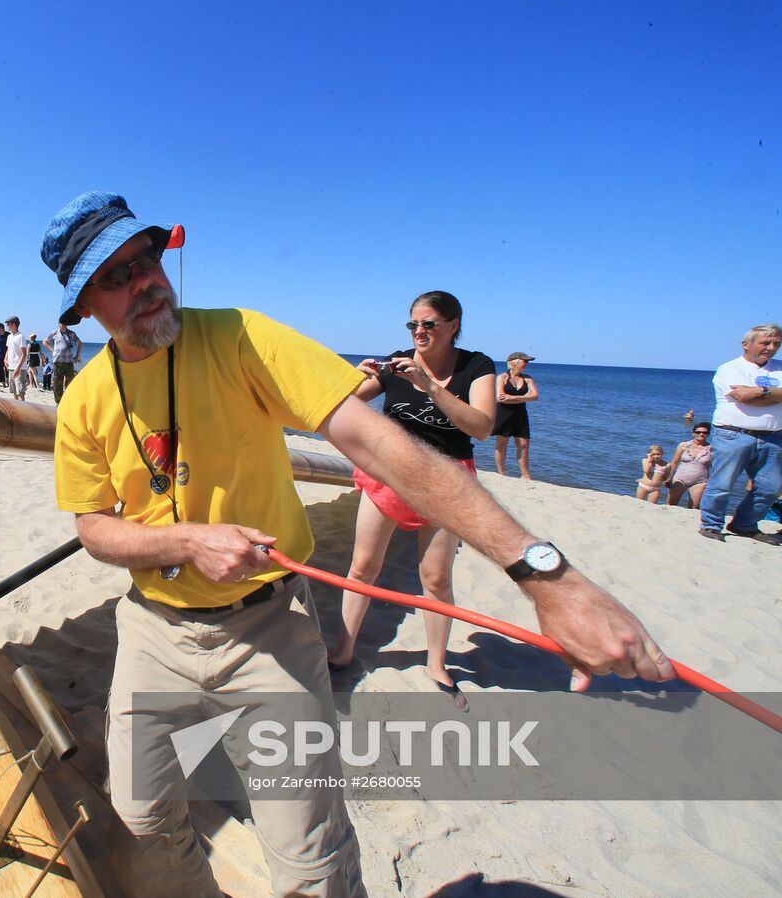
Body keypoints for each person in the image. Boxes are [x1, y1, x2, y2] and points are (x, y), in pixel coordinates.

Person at [40, 191, 673, 898]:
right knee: (143, 819)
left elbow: (381, 445)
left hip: (268, 629)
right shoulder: (83, 398)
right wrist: (186, 539)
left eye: (146, 259)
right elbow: (93, 525)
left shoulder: (240, 337)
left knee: (308, 862)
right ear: (83, 309)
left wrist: (543, 573)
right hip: (153, 632)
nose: (144, 282)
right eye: (115, 277)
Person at [326, 292, 497, 711]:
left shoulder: (477, 366)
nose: (419, 332)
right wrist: (352, 375)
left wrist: (430, 388)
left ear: (454, 325)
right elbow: (344, 400)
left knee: (435, 577)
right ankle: (343, 651)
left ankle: (437, 665)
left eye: (430, 324)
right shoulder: (399, 359)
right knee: (363, 566)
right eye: (413, 325)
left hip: (447, 481)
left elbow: (482, 427)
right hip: (390, 474)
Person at [697, 323, 782, 543]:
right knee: (722, 483)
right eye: (765, 342)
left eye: (776, 343)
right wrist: (773, 394)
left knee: (770, 488)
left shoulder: (779, 368)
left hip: (773, 437)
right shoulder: (730, 368)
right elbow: (743, 396)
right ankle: (711, 525)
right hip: (734, 435)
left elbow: (753, 396)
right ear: (746, 344)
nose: (771, 347)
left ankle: (744, 524)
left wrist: (761, 392)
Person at [492, 351, 538, 479]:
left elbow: (535, 396)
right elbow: (501, 398)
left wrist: (512, 397)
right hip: (503, 413)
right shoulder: (502, 377)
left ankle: (525, 475)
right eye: (525, 361)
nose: (527, 364)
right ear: (514, 362)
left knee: (523, 445)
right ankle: (501, 473)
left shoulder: (527, 378)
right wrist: (524, 397)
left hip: (520, 414)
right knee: (501, 444)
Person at [667, 422, 713, 508]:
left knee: (694, 508)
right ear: (693, 433)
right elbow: (674, 462)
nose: (701, 434)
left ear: (708, 434)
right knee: (671, 505)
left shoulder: (712, 449)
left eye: (705, 432)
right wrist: (668, 478)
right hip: (679, 478)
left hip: (700, 481)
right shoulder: (683, 445)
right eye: (698, 432)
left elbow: (716, 467)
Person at [44, 314, 83, 404]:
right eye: (62, 323)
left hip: (69, 362)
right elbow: (45, 342)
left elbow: (79, 343)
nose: (64, 325)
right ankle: (59, 402)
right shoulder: (54, 333)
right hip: (58, 362)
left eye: (65, 323)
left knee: (70, 383)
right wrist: (52, 350)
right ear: (58, 324)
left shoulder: (71, 333)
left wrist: (77, 355)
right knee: (57, 383)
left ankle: (68, 401)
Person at [4, 315, 28, 400]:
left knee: (20, 392)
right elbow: (8, 349)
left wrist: (18, 367)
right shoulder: (9, 336)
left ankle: (22, 411)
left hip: (20, 368)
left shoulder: (21, 337)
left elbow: (24, 353)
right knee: (13, 391)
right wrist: (5, 359)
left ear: (14, 324)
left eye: (8, 324)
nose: (7, 326)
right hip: (11, 366)